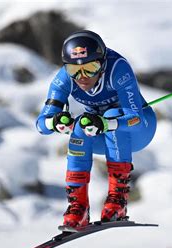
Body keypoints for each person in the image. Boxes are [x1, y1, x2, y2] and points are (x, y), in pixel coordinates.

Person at [36, 30, 157, 228]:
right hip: (103, 135)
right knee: (79, 126)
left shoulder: (118, 68)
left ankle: (117, 200)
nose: (82, 77)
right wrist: (56, 121)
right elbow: (41, 125)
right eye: (75, 71)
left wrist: (106, 124)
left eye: (90, 68)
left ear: (102, 63)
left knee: (109, 116)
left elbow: (135, 119)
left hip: (139, 130)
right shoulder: (64, 78)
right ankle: (78, 207)